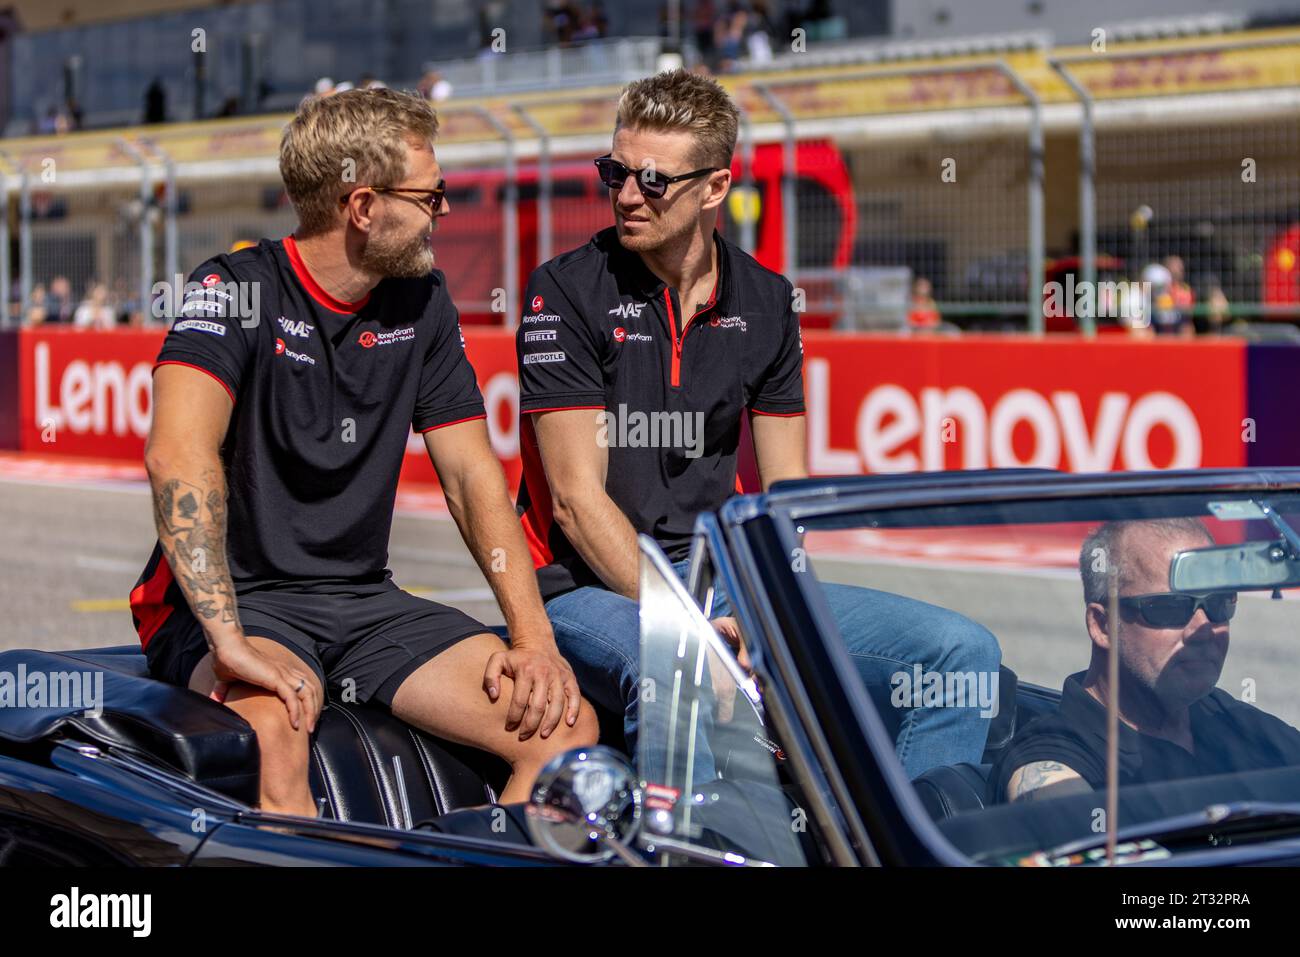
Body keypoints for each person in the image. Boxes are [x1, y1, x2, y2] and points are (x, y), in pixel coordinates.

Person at [515, 69, 1000, 780]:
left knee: (964, 653)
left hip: (719, 578)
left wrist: (760, 599)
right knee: (678, 674)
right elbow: (578, 507)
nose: (623, 194)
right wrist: (691, 628)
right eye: (612, 172)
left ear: (715, 188)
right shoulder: (562, 290)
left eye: (651, 180)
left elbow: (787, 495)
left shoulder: (769, 300)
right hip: (585, 583)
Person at [129, 88, 597, 817]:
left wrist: (535, 637)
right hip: (239, 599)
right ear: (363, 205)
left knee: (565, 729)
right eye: (432, 195)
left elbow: (473, 479)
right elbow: (177, 456)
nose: (444, 211)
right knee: (271, 735)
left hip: (361, 601)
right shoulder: (233, 288)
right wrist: (228, 639)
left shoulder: (423, 300)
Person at [997, 518, 1300, 802]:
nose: (1203, 629)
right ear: (1103, 626)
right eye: (1169, 608)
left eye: (1218, 603)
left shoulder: (1233, 721)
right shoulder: (1052, 760)